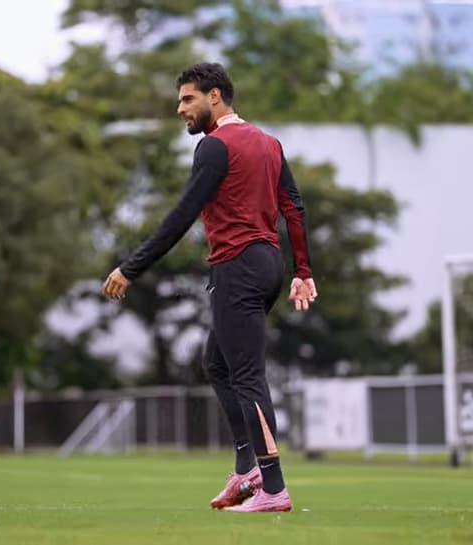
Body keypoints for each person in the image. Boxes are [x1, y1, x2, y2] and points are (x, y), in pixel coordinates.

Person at [101, 62, 317, 513]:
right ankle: (246, 469)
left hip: (237, 267)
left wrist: (131, 267)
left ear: (214, 96)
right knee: (216, 363)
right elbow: (292, 207)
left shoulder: (215, 147)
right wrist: (302, 270)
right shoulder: (269, 143)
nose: (180, 108)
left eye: (187, 99)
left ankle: (273, 487)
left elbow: (182, 216)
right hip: (267, 266)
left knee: (247, 376)